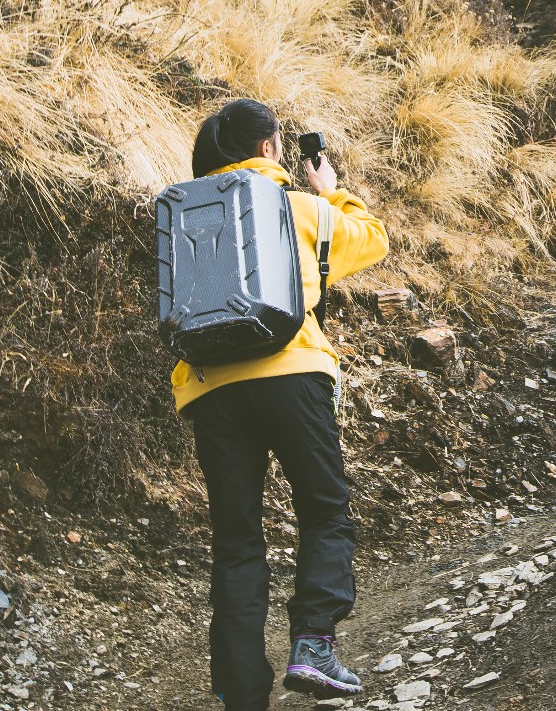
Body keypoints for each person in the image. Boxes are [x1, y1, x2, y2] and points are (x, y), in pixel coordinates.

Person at [175, 99, 389, 709]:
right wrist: (334, 192)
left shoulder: (189, 216)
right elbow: (372, 242)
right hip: (293, 374)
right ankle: (313, 646)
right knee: (323, 510)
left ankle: (239, 692)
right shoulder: (299, 207)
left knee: (236, 539)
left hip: (212, 387)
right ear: (269, 149)